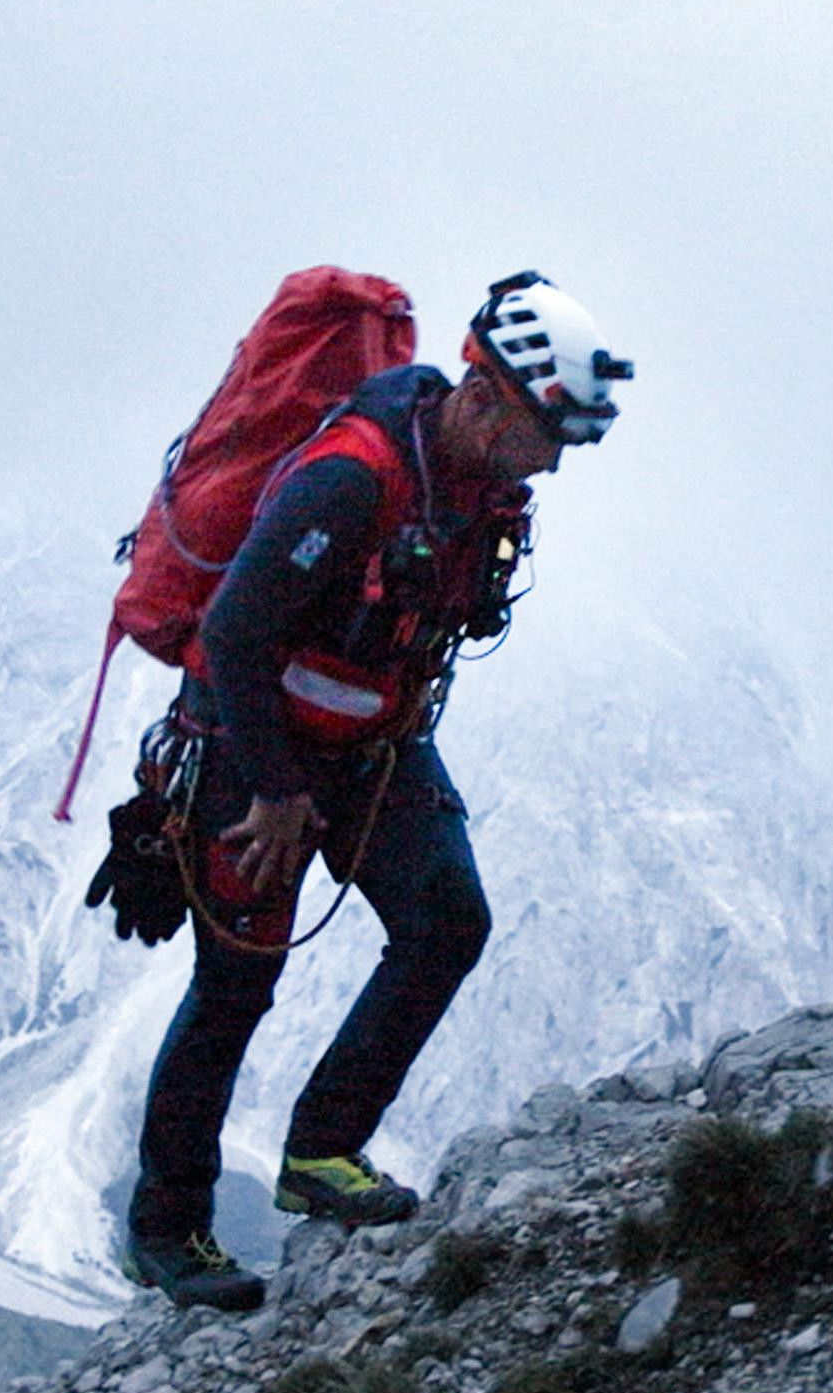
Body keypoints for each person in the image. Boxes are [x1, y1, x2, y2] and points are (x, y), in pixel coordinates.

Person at [120, 273, 633, 1310]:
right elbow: (232, 632)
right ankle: (167, 1229)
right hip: (251, 743)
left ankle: (322, 1151)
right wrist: (272, 791)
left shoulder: (480, 488)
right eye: (549, 437)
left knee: (448, 921)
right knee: (236, 984)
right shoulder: (351, 481)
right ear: (486, 400)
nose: (554, 462)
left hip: (374, 743)